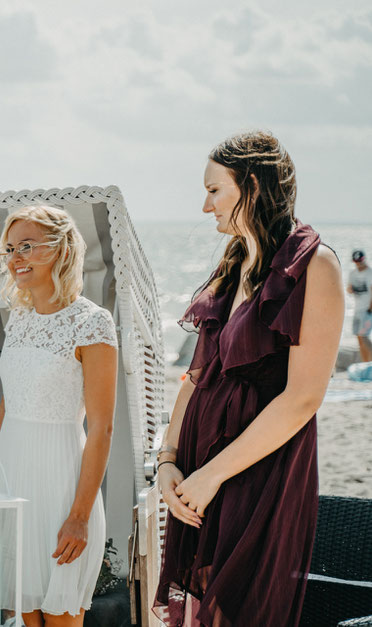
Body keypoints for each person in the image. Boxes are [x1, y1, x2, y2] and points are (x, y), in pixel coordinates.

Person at [154, 131, 343, 626]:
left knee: (237, 613)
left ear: (253, 186)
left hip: (258, 469)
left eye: (214, 189)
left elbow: (303, 398)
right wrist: (168, 461)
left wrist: (212, 475)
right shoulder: (233, 265)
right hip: (198, 471)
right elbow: (196, 378)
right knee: (197, 612)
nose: (204, 205)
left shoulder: (314, 267)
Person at [0, 205, 118, 627]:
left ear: (61, 249)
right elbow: (6, 408)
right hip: (12, 485)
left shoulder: (92, 323)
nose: (15, 258)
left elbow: (103, 427)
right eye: (10, 249)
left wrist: (80, 517)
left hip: (61, 490)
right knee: (20, 619)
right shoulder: (18, 319)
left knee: (62, 618)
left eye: (27, 247)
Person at [347, 249, 372, 362]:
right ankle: (365, 363)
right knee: (359, 338)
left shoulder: (369, 273)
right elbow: (349, 289)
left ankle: (370, 363)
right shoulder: (353, 273)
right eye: (356, 261)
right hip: (356, 310)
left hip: (367, 311)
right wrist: (351, 290)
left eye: (360, 261)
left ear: (364, 260)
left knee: (364, 336)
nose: (359, 263)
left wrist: (370, 310)